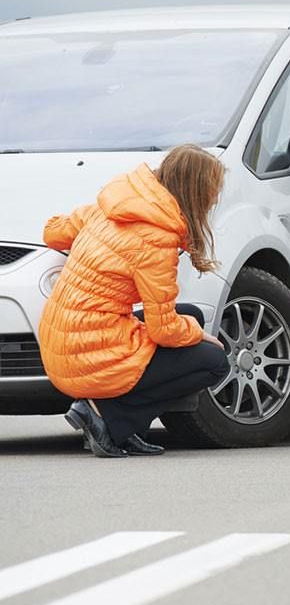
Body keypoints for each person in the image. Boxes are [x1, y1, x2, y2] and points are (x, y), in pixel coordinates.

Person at [38, 144, 230, 458]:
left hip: (61, 337)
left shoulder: (116, 204)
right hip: (87, 353)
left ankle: (123, 426)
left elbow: (52, 232)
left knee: (191, 313)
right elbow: (163, 329)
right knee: (213, 361)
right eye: (213, 192)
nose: (215, 200)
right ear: (195, 193)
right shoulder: (157, 238)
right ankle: (108, 419)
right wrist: (198, 333)